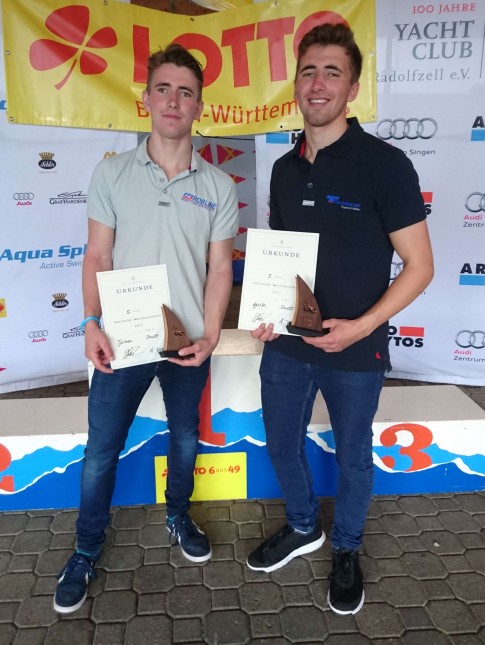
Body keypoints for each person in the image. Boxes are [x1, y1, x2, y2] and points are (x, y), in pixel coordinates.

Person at [246, 23, 433, 616]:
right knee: (281, 443)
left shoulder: (386, 164)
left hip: (357, 346)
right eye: (308, 71)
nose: (318, 83)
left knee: (353, 457)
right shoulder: (283, 168)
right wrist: (267, 312)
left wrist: (362, 325)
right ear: (296, 85)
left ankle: (347, 547)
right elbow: (284, 262)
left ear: (352, 89)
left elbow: (420, 267)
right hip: (287, 347)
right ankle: (304, 526)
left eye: (333, 72)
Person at [53, 44, 239, 614]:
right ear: (147, 100)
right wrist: (90, 322)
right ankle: (85, 549)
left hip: (188, 343)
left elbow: (219, 270)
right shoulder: (111, 173)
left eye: (185, 92)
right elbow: (97, 256)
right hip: (122, 340)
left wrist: (210, 335)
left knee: (184, 438)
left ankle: (178, 516)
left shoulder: (219, 185)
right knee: (100, 451)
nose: (173, 101)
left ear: (199, 106)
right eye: (163, 89)